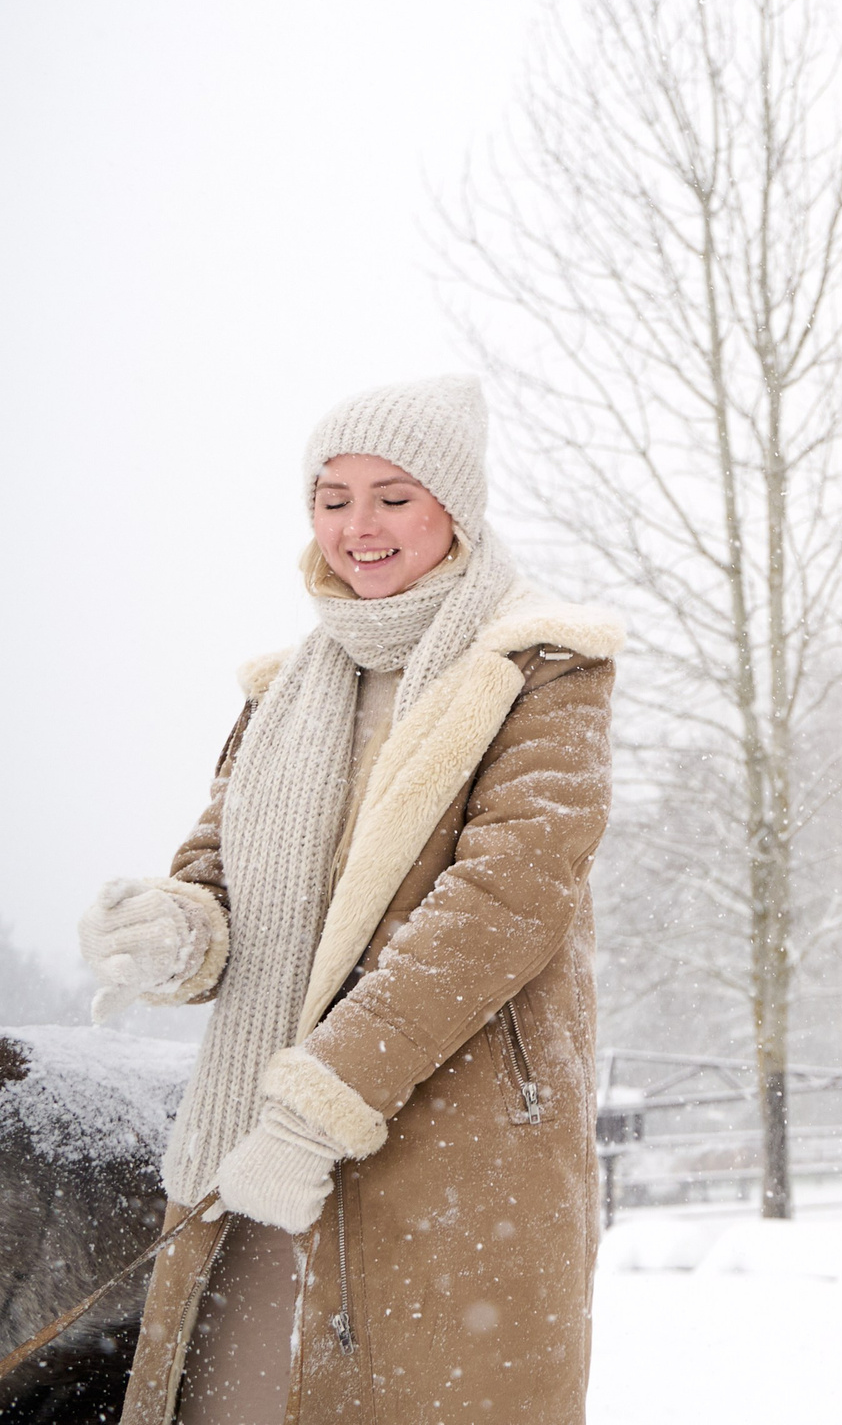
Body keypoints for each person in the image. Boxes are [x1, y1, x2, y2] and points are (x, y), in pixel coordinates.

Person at [77, 376, 620, 1425]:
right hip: (249, 1154)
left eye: (391, 496)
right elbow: (217, 878)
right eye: (332, 498)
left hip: (446, 1153)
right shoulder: (280, 692)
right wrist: (172, 931)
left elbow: (502, 906)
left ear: (453, 506)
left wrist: (321, 1104)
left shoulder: (544, 669)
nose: (357, 527)